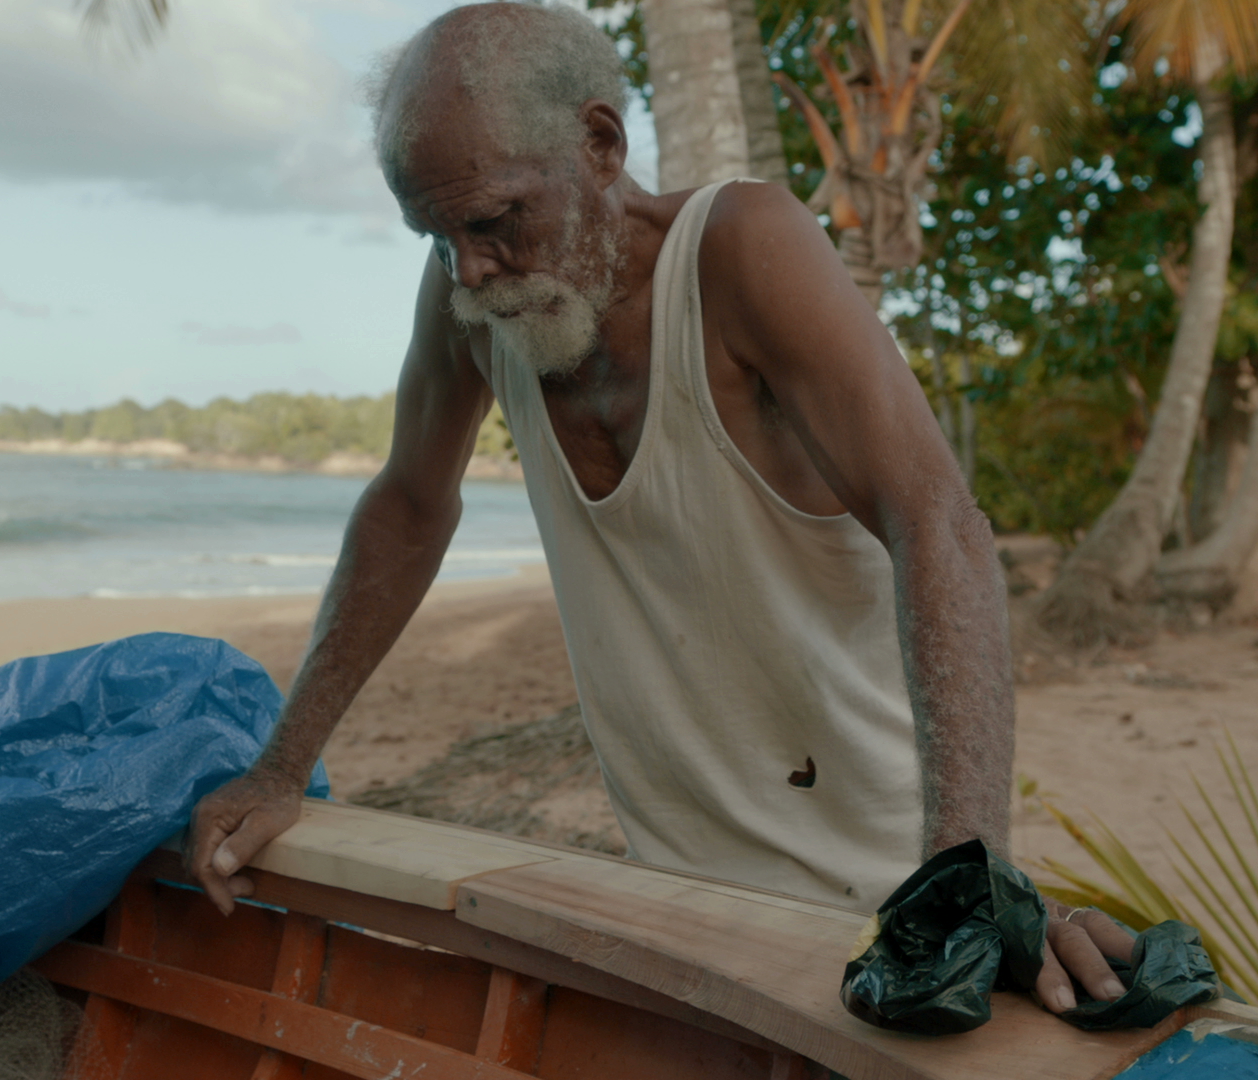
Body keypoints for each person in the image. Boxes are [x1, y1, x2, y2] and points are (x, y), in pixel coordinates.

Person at [184, 0, 1132, 1014]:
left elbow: (938, 520)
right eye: (436, 234)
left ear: (599, 145)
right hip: (684, 904)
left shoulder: (741, 250)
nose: (469, 272)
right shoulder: (472, 295)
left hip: (905, 888)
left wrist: (966, 871)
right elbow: (409, 508)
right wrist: (284, 764)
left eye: (496, 221)